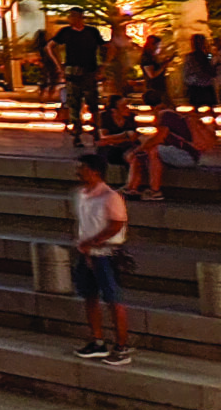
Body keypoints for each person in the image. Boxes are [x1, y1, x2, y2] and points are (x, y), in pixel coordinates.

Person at [70, 153, 131, 366]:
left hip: (106, 254)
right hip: (87, 252)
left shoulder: (110, 196)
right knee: (89, 296)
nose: (78, 172)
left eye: (82, 168)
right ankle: (98, 340)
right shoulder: (81, 194)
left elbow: (116, 224)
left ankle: (121, 345)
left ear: (94, 171)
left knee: (113, 299)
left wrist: (93, 241)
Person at [130, 104, 212, 201]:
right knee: (151, 153)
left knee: (154, 151)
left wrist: (137, 150)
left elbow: (159, 138)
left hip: (186, 156)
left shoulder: (165, 116)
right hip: (192, 156)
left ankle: (154, 191)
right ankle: (134, 187)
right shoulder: (178, 120)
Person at [50, 8, 107, 147]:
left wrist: (103, 66)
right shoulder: (66, 32)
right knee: (74, 103)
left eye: (75, 17)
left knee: (92, 102)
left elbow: (105, 46)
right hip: (73, 70)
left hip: (90, 70)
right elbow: (50, 46)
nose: (72, 19)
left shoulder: (91, 32)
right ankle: (77, 133)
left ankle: (96, 131)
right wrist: (59, 66)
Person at [94, 90, 144, 191]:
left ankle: (131, 187)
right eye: (123, 106)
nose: (127, 109)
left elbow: (133, 137)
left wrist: (114, 140)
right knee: (102, 152)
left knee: (133, 156)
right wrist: (123, 135)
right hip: (110, 149)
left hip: (125, 147)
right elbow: (103, 138)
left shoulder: (131, 117)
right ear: (114, 110)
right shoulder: (105, 117)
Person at [184, 34, 218, 114]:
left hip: (198, 87)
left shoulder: (203, 56)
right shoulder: (196, 57)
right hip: (201, 88)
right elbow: (210, 69)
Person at [138, 37, 168, 112]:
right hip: (154, 89)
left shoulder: (152, 57)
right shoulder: (147, 58)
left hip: (159, 87)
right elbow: (152, 75)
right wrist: (163, 67)